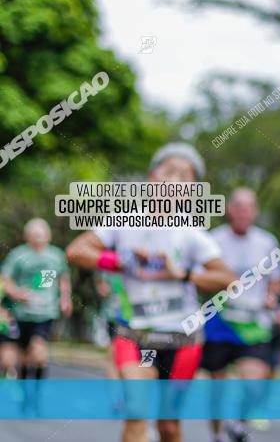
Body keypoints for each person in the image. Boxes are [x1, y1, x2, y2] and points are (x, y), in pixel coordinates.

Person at [67, 142, 236, 442]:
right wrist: (121, 261)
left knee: (168, 426)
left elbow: (228, 279)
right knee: (136, 411)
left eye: (186, 178)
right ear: (151, 178)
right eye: (169, 171)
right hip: (136, 338)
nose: (175, 181)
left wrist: (182, 274)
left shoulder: (193, 234)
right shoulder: (124, 222)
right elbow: (76, 251)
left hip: (182, 342)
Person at [201, 188, 280, 442]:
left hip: (254, 324)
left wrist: (273, 296)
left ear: (255, 211)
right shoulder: (213, 240)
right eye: (238, 206)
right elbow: (201, 278)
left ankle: (239, 423)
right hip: (221, 323)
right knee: (217, 390)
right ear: (230, 210)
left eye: (248, 207)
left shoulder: (267, 242)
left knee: (254, 383)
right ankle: (217, 435)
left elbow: (277, 280)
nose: (243, 212)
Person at [1, 218, 71, 394]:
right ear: (27, 237)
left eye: (41, 235)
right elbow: (6, 280)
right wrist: (17, 293)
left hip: (45, 313)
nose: (38, 239)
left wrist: (65, 299)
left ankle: (37, 394)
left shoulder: (56, 256)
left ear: (48, 236)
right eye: (34, 235)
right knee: (23, 357)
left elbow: (63, 279)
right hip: (20, 313)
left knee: (39, 353)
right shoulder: (18, 255)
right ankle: (24, 391)